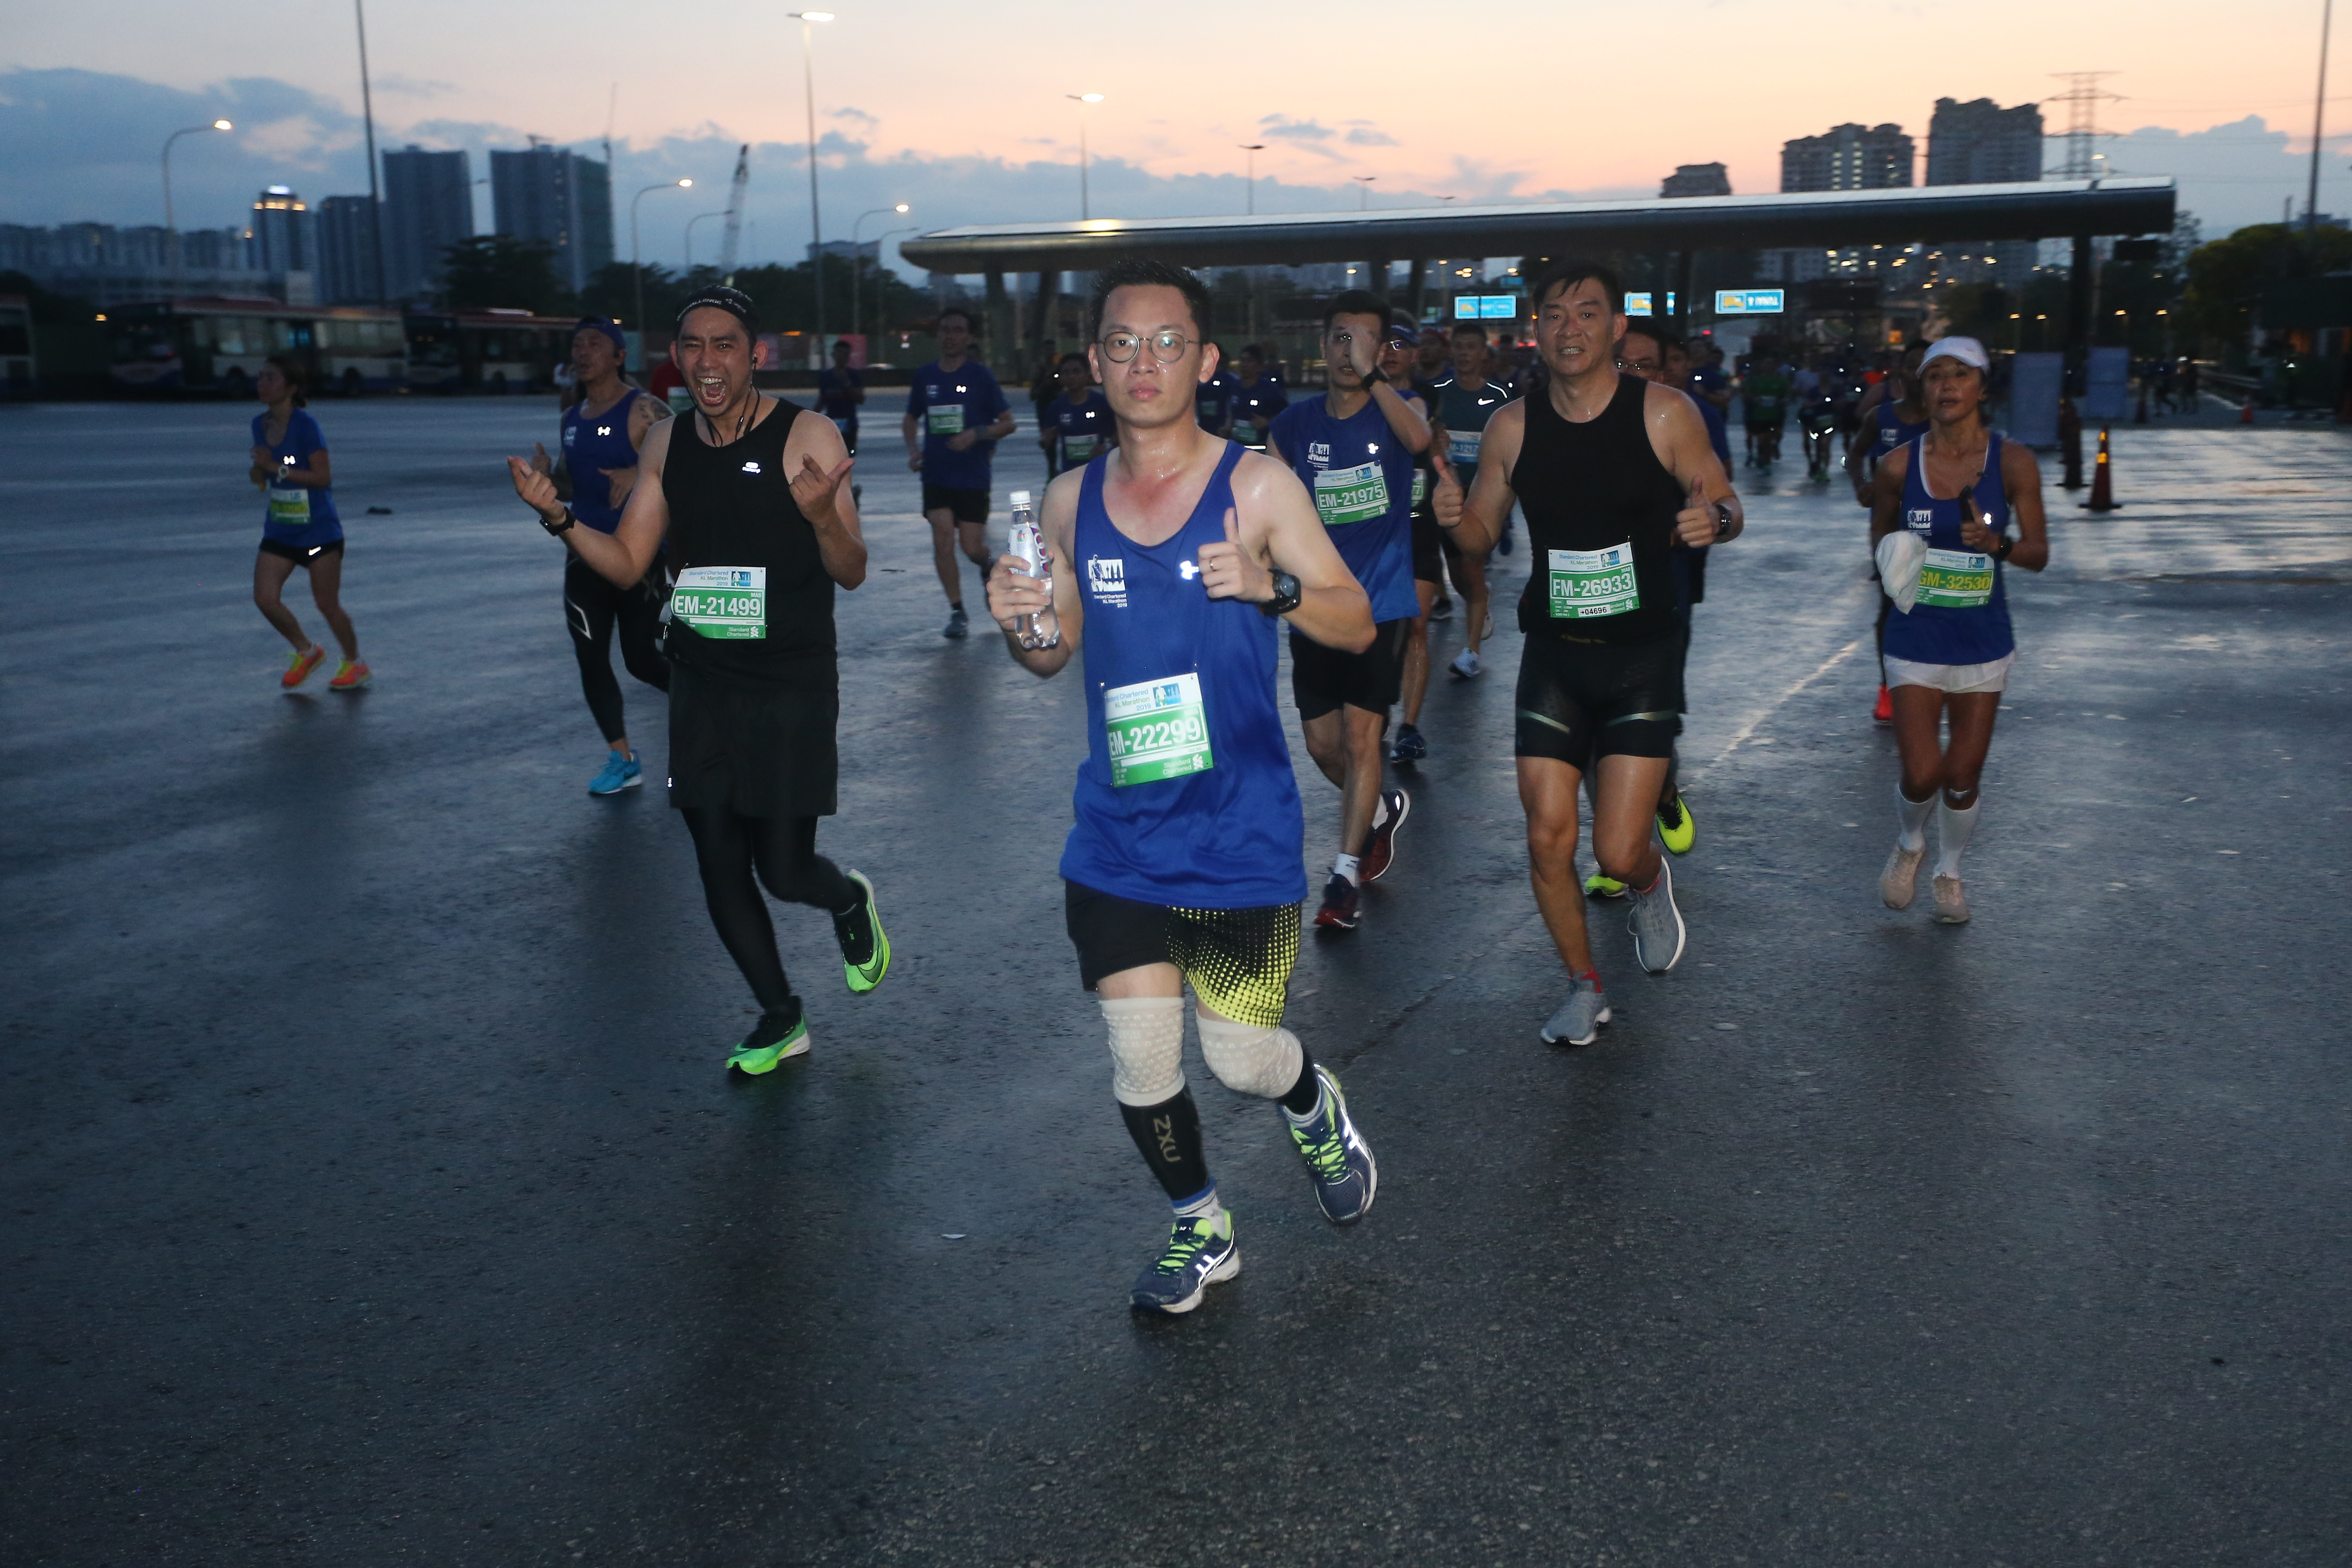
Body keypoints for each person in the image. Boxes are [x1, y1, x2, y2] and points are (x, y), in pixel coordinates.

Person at [982, 257, 1379, 1315]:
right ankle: (1200, 1224)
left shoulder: (1255, 485)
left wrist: (1273, 584)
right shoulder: (1069, 500)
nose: (1143, 362)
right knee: (1142, 1054)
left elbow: (1355, 619)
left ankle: (1310, 1098)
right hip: (1116, 832)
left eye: (1166, 342)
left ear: (1203, 361)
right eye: (1122, 342)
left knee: (1241, 1056)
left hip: (1237, 830)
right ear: (1095, 362)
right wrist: (1018, 614)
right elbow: (1049, 653)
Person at [506, 286, 889, 1072]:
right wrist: (559, 517)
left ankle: (846, 898)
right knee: (718, 860)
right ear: (675, 360)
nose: (707, 362)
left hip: (789, 682)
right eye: (692, 347)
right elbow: (627, 562)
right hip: (703, 679)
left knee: (782, 871)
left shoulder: (805, 434)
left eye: (724, 346)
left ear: (754, 355)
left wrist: (821, 517)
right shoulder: (667, 445)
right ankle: (780, 1014)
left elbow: (850, 570)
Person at [1434, 262, 1742, 1047]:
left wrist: (1717, 521)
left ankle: (1646, 879)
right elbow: (1477, 535)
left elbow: (1720, 496)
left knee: (1614, 847)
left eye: (1586, 313)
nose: (1568, 328)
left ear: (1613, 329)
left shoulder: (1664, 413)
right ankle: (1582, 985)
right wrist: (1447, 518)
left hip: (1641, 654)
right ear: (1534, 329)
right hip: (1554, 653)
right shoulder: (1513, 426)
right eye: (1553, 314)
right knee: (1545, 835)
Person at [1867, 336, 2048, 925]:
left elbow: (2039, 555)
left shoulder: (2014, 462)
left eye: (1960, 375)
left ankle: (1948, 869)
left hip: (1984, 637)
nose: (1947, 386)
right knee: (1922, 772)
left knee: (1963, 776)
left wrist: (2000, 546)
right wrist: (1895, 565)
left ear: (1982, 388)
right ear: (1922, 387)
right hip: (1916, 633)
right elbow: (1880, 542)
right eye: (1936, 375)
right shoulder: (1897, 466)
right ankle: (1909, 845)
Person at [1267, 290, 1431, 932]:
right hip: (1314, 603)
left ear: (1381, 349)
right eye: (1339, 338)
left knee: (1365, 739)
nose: (1348, 350)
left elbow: (1419, 439)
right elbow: (1270, 505)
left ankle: (1342, 875)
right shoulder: (1294, 424)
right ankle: (1380, 810)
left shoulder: (1399, 412)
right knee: (1322, 744)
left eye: (1364, 339)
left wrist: (1376, 376)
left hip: (1380, 603)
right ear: (1322, 344)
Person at [528, 318, 671, 793]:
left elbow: (692, 459)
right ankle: (622, 757)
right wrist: (549, 479)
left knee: (642, 662)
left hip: (639, 554)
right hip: (584, 555)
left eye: (594, 344)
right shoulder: (571, 417)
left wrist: (640, 473)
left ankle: (715, 704)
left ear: (618, 356)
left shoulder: (645, 410)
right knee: (590, 658)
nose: (582, 352)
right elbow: (577, 483)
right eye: (576, 345)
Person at [248, 354, 368, 691]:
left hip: (318, 531)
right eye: (261, 377)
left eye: (271, 378)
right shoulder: (259, 424)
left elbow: (322, 477)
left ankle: (355, 663)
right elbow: (263, 475)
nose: (262, 384)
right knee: (265, 599)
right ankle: (307, 651)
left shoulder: (306, 426)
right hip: (281, 529)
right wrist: (259, 471)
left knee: (327, 605)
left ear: (291, 388)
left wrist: (276, 469)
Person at [903, 306, 1016, 638]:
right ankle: (957, 611)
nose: (951, 336)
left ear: (969, 337)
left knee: (971, 547)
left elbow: (1008, 423)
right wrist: (913, 451)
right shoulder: (926, 376)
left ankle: (986, 566)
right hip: (936, 473)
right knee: (942, 538)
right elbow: (911, 419)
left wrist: (976, 434)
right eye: (945, 330)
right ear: (938, 335)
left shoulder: (981, 377)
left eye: (958, 330)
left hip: (972, 476)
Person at [1848, 338, 1932, 722]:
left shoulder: (1946, 421)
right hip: (1891, 529)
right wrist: (1862, 486)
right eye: (1912, 365)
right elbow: (1854, 455)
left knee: (1934, 606)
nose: (1918, 375)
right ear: (1900, 373)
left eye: (1925, 367)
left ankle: (1932, 684)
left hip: (1938, 529)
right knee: (1893, 606)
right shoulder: (1881, 417)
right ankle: (1889, 689)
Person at [1423, 320, 1511, 682]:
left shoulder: (1501, 397)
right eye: (1458, 346)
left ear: (1483, 353)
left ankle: (1471, 652)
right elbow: (1421, 437)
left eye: (1471, 347)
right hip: (1446, 499)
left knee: (1471, 570)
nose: (1464, 354)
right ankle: (1481, 602)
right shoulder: (1435, 392)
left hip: (1485, 501)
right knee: (1459, 574)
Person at [1390, 322, 1443, 763]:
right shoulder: (1355, 401)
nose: (1390, 352)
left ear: (1414, 355)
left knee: (1418, 628)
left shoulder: (1421, 397)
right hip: (1371, 535)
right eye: (1382, 344)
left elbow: (1424, 431)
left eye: (1400, 345)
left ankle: (1409, 726)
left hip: (1419, 527)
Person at [1038, 351, 1117, 477]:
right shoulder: (1056, 407)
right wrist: (1046, 439)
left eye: (1077, 372)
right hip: (1070, 473)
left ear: (1087, 375)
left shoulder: (1101, 403)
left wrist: (1106, 447)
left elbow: (1119, 435)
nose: (1071, 377)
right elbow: (1046, 438)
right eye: (1066, 373)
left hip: (1100, 470)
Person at [816, 338, 866, 503]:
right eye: (839, 354)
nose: (842, 357)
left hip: (849, 426)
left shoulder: (853, 375)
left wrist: (846, 383)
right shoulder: (826, 377)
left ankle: (847, 491)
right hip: (831, 426)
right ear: (834, 355)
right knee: (831, 459)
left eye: (845, 354)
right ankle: (836, 491)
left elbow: (860, 399)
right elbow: (822, 400)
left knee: (846, 460)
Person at [1234, 343, 1288, 451]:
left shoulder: (1270, 390)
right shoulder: (1234, 387)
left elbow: (1286, 415)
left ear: (1259, 366)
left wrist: (1268, 422)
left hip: (1261, 448)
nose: (1244, 365)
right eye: (1242, 360)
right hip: (1238, 447)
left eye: (1249, 361)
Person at [1741, 356, 1788, 466]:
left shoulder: (1781, 380)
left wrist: (1783, 400)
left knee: (1776, 433)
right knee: (1761, 438)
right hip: (1759, 414)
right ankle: (1762, 459)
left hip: (1776, 413)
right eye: (1766, 364)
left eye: (1771, 365)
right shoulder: (1754, 380)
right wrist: (1754, 399)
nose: (1768, 367)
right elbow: (1746, 393)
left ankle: (1775, 446)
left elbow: (1788, 393)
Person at [1195, 342, 1240, 439]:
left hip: (1222, 432)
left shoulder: (1231, 380)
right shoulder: (1196, 380)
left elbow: (1232, 406)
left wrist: (1228, 427)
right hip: (1201, 431)